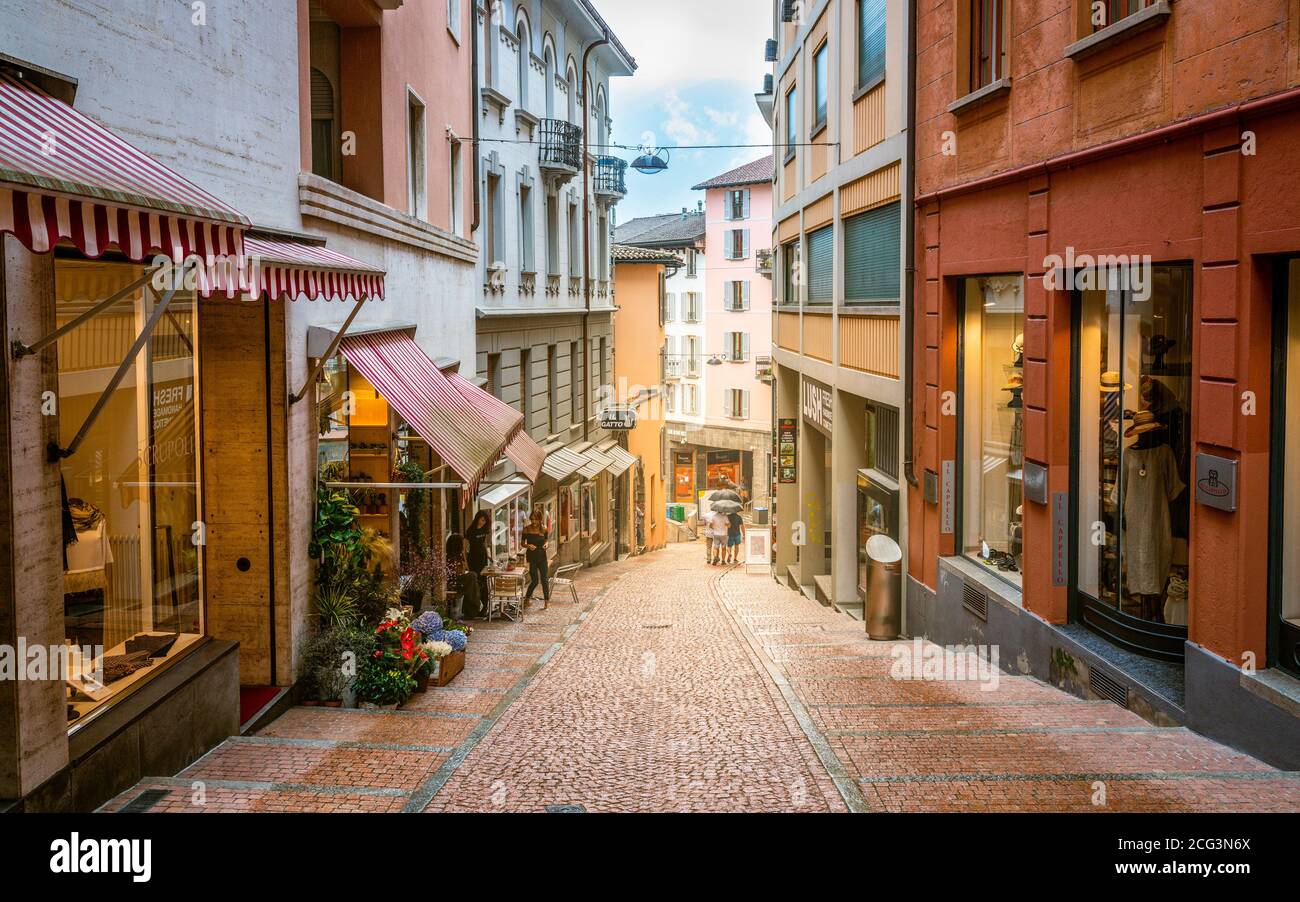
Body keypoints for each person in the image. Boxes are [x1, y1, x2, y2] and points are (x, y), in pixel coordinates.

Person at [444, 533, 479, 619]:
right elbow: (455, 573)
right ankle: (472, 611)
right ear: (457, 544)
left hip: (458, 581)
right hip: (452, 583)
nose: (464, 545)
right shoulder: (448, 557)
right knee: (472, 578)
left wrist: (463, 554)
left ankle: (471, 611)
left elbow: (466, 568)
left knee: (472, 582)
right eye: (462, 544)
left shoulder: (459, 555)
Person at [522, 511, 551, 607]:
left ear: (540, 519)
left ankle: (546, 601)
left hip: (542, 556)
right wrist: (528, 545)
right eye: (532, 519)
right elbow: (522, 543)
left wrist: (546, 544)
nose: (534, 521)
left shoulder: (544, 529)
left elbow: (546, 541)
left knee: (544, 579)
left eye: (536, 519)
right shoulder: (526, 529)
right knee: (534, 580)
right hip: (532, 557)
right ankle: (527, 599)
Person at [465, 509, 491, 612]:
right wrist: (465, 562)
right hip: (473, 558)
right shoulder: (470, 530)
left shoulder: (485, 529)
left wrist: (488, 555)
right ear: (477, 518)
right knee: (476, 582)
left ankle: (485, 606)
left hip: (483, 558)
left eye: (485, 521)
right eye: (482, 520)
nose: (483, 522)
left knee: (484, 581)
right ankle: (474, 606)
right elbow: (464, 548)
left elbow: (485, 543)